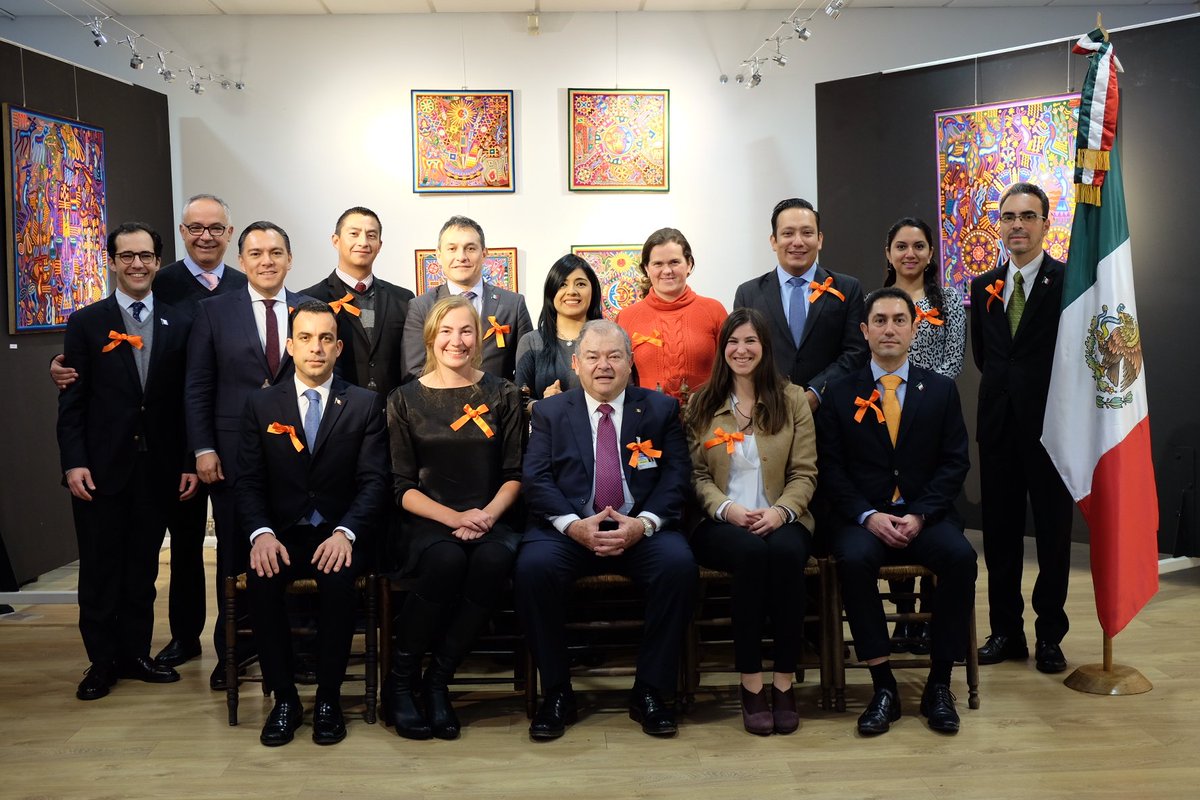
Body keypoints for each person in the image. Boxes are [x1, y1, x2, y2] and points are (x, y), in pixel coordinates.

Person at [50, 193, 246, 669]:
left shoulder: (241, 287)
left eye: (215, 227)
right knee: (141, 557)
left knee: (185, 559)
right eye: (195, 227)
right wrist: (59, 367)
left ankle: (201, 649)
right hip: (135, 453)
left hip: (207, 447)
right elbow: (83, 379)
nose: (205, 235)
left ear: (228, 233)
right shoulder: (145, 293)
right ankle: (144, 650)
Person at [515, 319, 697, 740]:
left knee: (679, 568)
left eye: (614, 356)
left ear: (631, 363)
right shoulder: (549, 412)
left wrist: (645, 524)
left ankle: (650, 691)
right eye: (593, 357)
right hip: (571, 527)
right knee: (532, 569)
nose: (604, 366)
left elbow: (676, 478)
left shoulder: (659, 408)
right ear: (575, 363)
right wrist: (573, 524)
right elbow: (536, 478)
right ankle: (558, 692)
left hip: (639, 527)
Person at [817, 287, 976, 736]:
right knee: (851, 560)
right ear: (865, 331)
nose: (890, 328)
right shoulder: (839, 392)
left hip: (924, 516)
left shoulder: (941, 390)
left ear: (913, 328)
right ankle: (883, 685)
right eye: (880, 321)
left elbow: (954, 461)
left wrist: (921, 514)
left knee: (962, 559)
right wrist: (868, 515)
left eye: (899, 320)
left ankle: (940, 683)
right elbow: (831, 468)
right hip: (863, 519)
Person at [236, 300, 389, 747]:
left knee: (339, 583)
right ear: (290, 345)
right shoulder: (262, 404)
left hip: (340, 530)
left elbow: (374, 482)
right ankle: (285, 699)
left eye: (325, 339)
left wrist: (347, 532)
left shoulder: (364, 404)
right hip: (281, 531)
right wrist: (260, 534)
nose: (315, 348)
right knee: (262, 582)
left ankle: (327, 699)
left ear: (339, 347)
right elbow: (247, 481)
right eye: (305, 338)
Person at [56, 222, 196, 700]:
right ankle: (100, 662)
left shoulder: (180, 321)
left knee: (141, 569)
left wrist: (187, 462)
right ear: (112, 261)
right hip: (99, 469)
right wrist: (73, 462)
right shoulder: (86, 322)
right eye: (127, 256)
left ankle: (136, 653)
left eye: (146, 255)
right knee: (99, 570)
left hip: (156, 469)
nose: (137, 264)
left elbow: (186, 401)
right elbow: (71, 404)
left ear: (159, 261)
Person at [383, 296, 524, 740]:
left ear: (479, 336)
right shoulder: (404, 399)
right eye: (446, 331)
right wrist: (454, 518)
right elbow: (401, 487)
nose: (456, 340)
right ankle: (401, 684)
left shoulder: (502, 393)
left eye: (465, 330)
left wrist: (483, 516)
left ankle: (438, 681)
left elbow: (515, 474)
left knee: (491, 561)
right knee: (446, 561)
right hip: (428, 518)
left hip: (491, 515)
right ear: (431, 337)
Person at [186, 221, 312, 690]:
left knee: (293, 547)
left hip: (298, 456)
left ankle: (296, 651)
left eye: (276, 252)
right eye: (256, 253)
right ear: (241, 261)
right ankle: (232, 652)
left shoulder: (307, 310)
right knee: (237, 556)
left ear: (289, 259)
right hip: (234, 456)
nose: (266, 261)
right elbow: (198, 385)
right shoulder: (214, 311)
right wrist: (203, 447)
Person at [684, 308, 817, 736]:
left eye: (750, 342)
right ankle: (752, 684)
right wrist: (728, 509)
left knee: (784, 553)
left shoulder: (792, 399)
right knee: (749, 554)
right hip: (722, 522)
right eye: (733, 342)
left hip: (785, 516)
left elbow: (805, 472)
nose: (742, 350)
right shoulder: (701, 403)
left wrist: (780, 512)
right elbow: (697, 475)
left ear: (765, 347)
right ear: (723, 350)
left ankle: (784, 681)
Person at [970, 182, 1073, 674]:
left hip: (1051, 430)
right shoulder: (982, 286)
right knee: (1001, 537)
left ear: (1045, 224)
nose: (1016, 225)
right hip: (998, 429)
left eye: (1027, 216)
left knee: (1052, 535)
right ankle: (1005, 631)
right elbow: (985, 357)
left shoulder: (1069, 282)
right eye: (1009, 216)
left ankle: (1049, 635)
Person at [880, 216, 967, 654]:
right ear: (889, 252)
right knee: (892, 511)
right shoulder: (880, 302)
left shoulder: (949, 300)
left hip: (932, 421)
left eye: (918, 246)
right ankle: (903, 620)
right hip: (885, 419)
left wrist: (925, 402)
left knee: (927, 513)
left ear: (931, 253)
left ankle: (930, 620)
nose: (909, 254)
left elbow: (953, 363)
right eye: (901, 246)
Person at [733, 198, 868, 411]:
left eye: (807, 233)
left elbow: (856, 352)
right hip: (768, 411)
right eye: (788, 234)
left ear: (820, 239)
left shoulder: (847, 288)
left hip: (831, 412)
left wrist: (816, 393)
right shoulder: (748, 293)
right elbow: (743, 353)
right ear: (773, 241)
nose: (797, 242)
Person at [303, 206, 415, 397]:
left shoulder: (403, 299)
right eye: (354, 234)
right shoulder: (310, 299)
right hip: (337, 412)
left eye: (371, 235)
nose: (363, 242)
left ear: (379, 245)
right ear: (335, 241)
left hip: (391, 412)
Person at [402, 215, 532, 381]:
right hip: (440, 404)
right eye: (452, 249)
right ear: (439, 255)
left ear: (484, 254)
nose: (461, 257)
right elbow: (414, 371)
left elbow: (526, 370)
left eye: (470, 248)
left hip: (499, 404)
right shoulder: (421, 307)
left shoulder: (513, 304)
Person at [615, 227, 726, 400]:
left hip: (706, 420)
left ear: (689, 264)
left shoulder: (714, 311)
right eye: (658, 264)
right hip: (648, 421)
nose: (667, 271)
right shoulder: (627, 318)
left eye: (674, 262)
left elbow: (731, 371)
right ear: (646, 268)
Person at [514, 253, 604, 406]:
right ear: (551, 292)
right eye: (562, 284)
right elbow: (519, 401)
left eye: (581, 284)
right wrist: (545, 405)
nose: (571, 291)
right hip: (548, 428)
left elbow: (625, 393)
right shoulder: (531, 342)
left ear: (593, 291)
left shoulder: (610, 340)